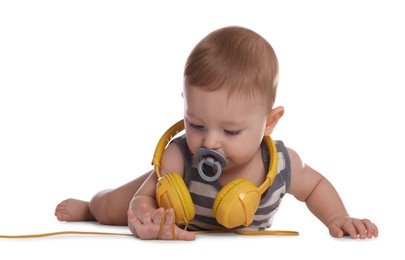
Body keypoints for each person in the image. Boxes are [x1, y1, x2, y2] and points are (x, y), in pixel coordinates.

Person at [54, 25, 378, 241]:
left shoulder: (279, 164)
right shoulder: (180, 157)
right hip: (178, 223)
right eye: (195, 124)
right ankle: (89, 206)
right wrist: (147, 216)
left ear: (269, 122)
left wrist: (338, 216)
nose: (209, 142)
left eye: (231, 130)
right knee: (111, 207)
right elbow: (145, 195)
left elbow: (316, 186)